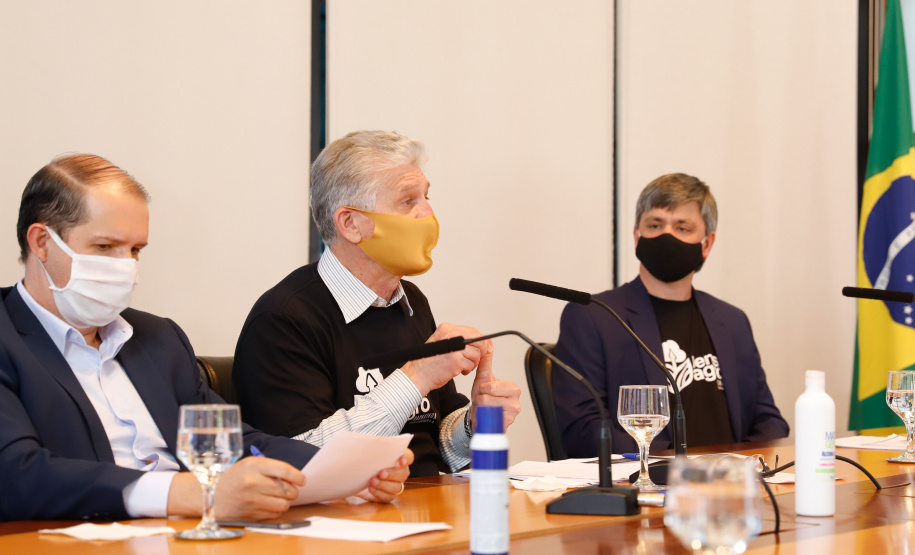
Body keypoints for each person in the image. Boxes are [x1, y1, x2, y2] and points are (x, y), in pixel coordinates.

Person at [0, 154, 411, 522]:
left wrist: (346, 472)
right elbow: (16, 472)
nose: (125, 267)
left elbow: (234, 444)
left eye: (136, 250)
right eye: (105, 246)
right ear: (41, 243)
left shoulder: (158, 338)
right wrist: (191, 494)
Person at [233, 130, 521, 477]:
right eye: (407, 201)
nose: (427, 213)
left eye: (426, 197)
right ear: (351, 224)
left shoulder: (412, 302)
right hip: (346, 522)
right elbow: (299, 459)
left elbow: (439, 444)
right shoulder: (283, 319)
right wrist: (416, 376)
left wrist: (476, 422)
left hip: (431, 509)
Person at [553, 173, 788, 457]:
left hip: (731, 487)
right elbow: (582, 431)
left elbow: (769, 421)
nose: (667, 236)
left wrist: (744, 466)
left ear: (707, 244)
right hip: (651, 488)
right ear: (636, 236)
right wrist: (673, 465)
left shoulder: (733, 320)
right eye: (655, 225)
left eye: (682, 228)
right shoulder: (594, 317)